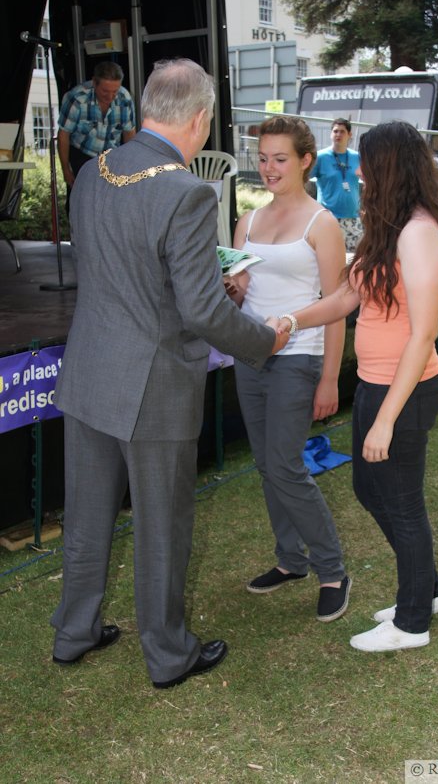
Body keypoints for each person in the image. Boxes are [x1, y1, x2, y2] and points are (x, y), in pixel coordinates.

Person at [50, 59, 289, 688]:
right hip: (151, 384)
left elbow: (123, 273)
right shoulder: (186, 191)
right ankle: (168, 653)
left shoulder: (93, 175)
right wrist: (266, 338)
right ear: (201, 117)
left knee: (86, 513)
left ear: (148, 105)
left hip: (89, 370)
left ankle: (74, 633)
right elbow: (202, 310)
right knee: (162, 526)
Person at [277, 120, 438, 651]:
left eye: (366, 165)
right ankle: (428, 591)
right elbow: (344, 299)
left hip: (405, 391)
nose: (358, 174)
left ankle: (412, 623)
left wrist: (384, 419)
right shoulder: (388, 228)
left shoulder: (420, 232)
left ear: (388, 168)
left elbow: (424, 334)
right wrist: (290, 320)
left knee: (401, 502)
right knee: (368, 488)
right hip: (377, 384)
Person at [226, 115, 351, 623]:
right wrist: (233, 292)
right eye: (262, 159)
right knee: (267, 464)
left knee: (285, 465)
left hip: (300, 358)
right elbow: (237, 291)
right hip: (250, 355)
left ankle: (332, 569)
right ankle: (289, 561)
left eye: (280, 159)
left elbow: (339, 304)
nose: (269, 169)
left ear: (305, 161)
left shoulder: (323, 224)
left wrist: (329, 378)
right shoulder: (248, 221)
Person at [57, 61, 136, 212]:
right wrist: (65, 169)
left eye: (115, 91)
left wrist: (130, 164)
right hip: (82, 153)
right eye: (105, 91)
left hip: (112, 155)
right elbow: (63, 135)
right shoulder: (76, 98)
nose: (111, 96)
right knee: (81, 205)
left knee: (112, 205)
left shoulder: (125, 98)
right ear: (94, 82)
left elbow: (129, 133)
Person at [310, 118, 362, 252]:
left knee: (353, 261)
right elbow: (302, 180)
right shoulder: (320, 157)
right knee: (328, 257)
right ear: (331, 134)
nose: (338, 134)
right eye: (335, 131)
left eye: (342, 132)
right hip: (328, 218)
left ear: (350, 135)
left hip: (352, 218)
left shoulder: (357, 157)